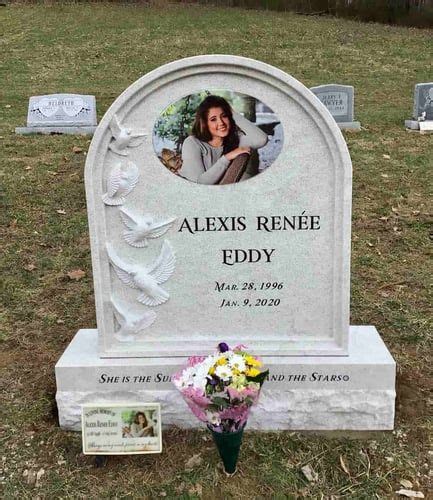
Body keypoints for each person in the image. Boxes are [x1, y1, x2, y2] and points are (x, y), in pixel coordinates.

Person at [180, 95, 268, 185]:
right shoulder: (192, 143)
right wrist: (227, 157)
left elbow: (261, 139)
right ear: (205, 123)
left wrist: (232, 113)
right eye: (213, 119)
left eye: (224, 116)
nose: (221, 123)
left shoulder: (236, 138)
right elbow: (200, 183)